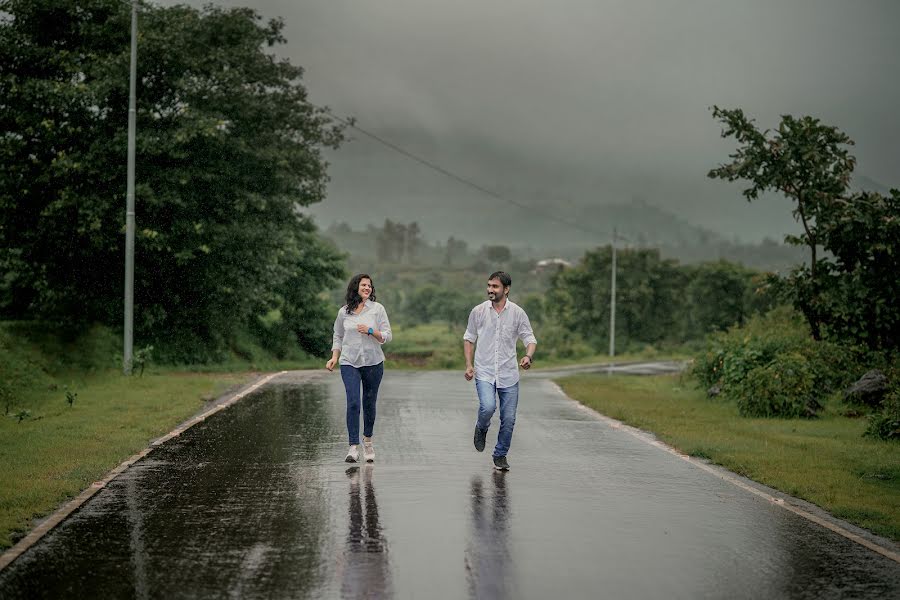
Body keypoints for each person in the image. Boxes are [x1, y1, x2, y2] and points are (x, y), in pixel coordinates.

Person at [464, 271, 537, 471]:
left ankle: (500, 454)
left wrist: (528, 356)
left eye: (495, 287)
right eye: (489, 286)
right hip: (485, 371)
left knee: (509, 418)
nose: (490, 290)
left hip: (509, 373)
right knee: (487, 407)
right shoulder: (478, 311)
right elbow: (469, 338)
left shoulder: (518, 313)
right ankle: (482, 427)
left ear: (506, 289)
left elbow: (529, 338)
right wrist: (469, 365)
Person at [326, 274, 392, 463]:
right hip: (349, 362)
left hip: (373, 362)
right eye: (363, 285)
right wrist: (334, 357)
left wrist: (372, 331)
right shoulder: (343, 312)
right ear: (355, 287)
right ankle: (353, 447)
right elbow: (337, 335)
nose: (367, 288)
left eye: (369, 286)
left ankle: (368, 442)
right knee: (353, 402)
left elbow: (388, 336)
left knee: (369, 403)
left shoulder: (377, 309)